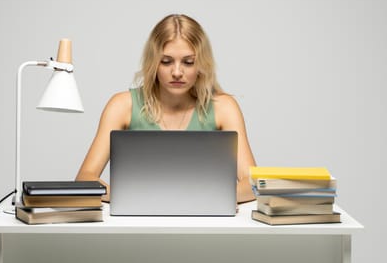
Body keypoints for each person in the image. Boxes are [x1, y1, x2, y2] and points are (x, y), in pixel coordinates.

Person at [76, 14, 256, 203]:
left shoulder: (223, 107)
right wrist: (130, 199)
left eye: (188, 62)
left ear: (201, 64)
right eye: (166, 61)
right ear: (153, 62)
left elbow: (252, 182)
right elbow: (85, 178)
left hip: (204, 224)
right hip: (137, 223)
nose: (177, 72)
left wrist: (204, 200)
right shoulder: (122, 106)